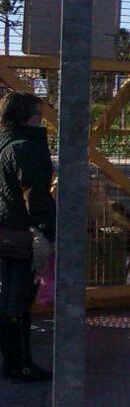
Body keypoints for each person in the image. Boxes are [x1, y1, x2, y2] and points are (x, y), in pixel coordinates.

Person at [0, 92, 55, 382]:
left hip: (6, 231)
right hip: (24, 233)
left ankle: (11, 359)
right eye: (38, 114)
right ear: (26, 117)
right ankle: (21, 363)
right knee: (19, 301)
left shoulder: (5, 143)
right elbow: (34, 193)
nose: (42, 119)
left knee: (8, 295)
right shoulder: (25, 148)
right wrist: (45, 229)